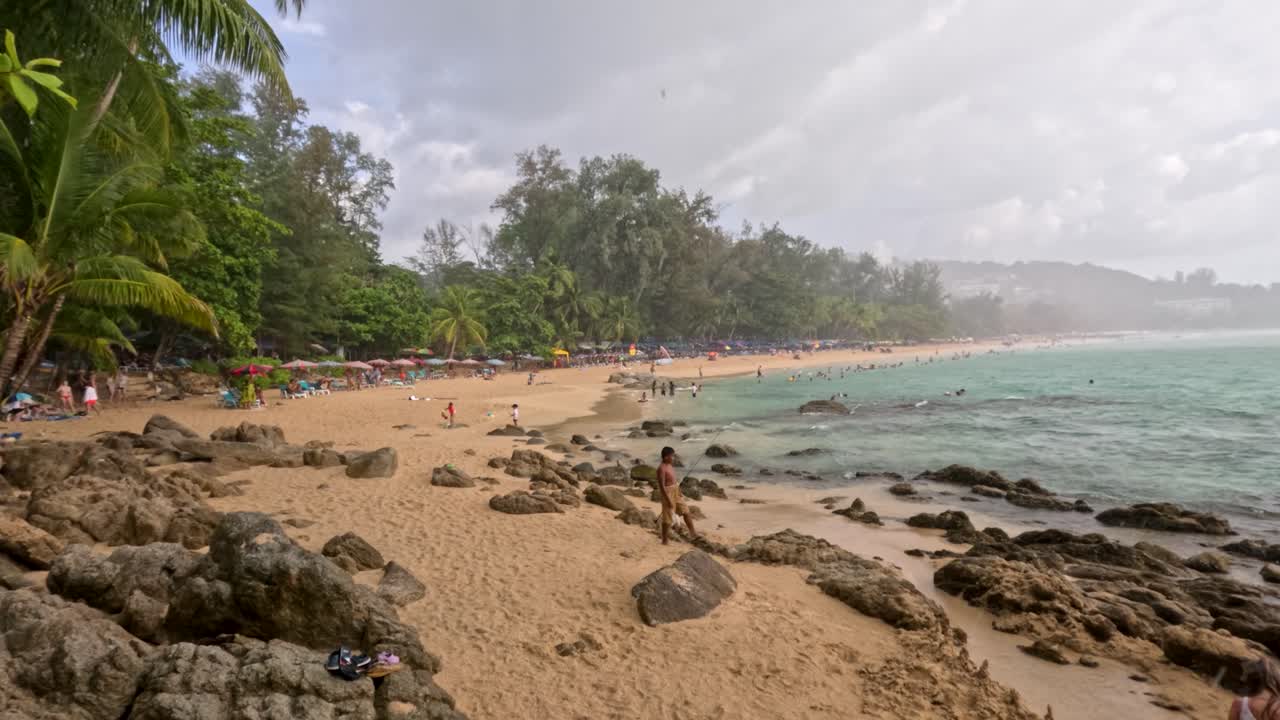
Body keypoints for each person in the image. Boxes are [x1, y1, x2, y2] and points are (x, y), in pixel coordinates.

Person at [657, 446, 696, 544]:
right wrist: (668, 500)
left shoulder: (670, 465)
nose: (673, 458)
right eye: (672, 456)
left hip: (676, 491)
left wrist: (679, 492)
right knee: (668, 518)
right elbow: (661, 486)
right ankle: (664, 540)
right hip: (667, 493)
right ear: (666, 457)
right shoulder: (661, 468)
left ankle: (693, 533)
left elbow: (673, 480)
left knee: (686, 511)